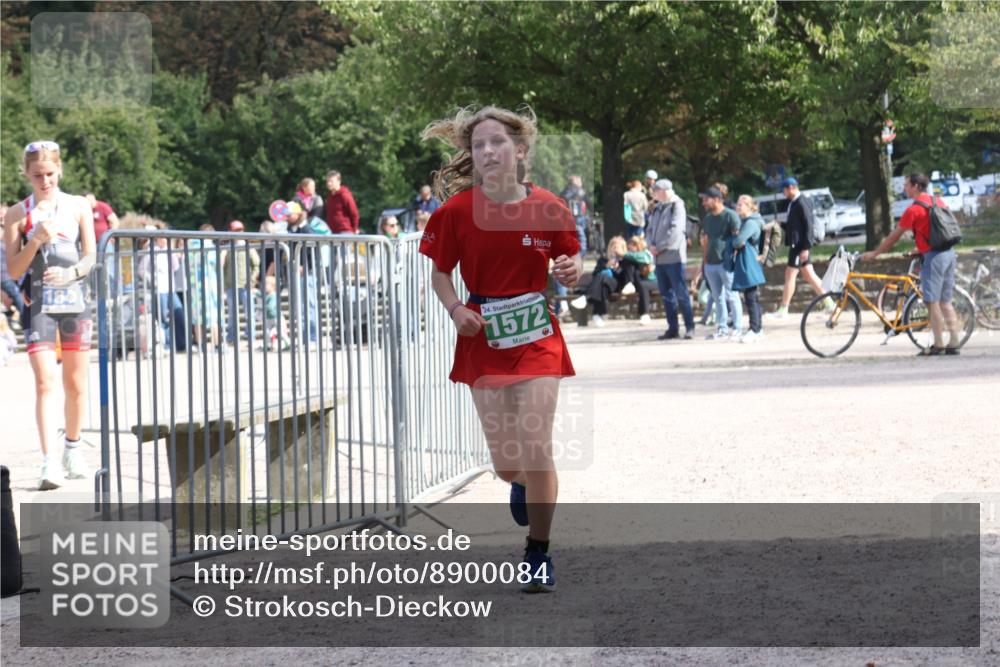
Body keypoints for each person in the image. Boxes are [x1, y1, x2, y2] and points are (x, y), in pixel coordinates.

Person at [420, 105, 582, 593]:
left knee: (537, 449)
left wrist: (573, 268)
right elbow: (440, 275)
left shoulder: (550, 207)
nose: (487, 151)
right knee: (509, 462)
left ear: (520, 150)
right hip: (483, 336)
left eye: (496, 142)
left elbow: (571, 256)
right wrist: (455, 310)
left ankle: (538, 550)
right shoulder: (455, 213)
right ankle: (517, 482)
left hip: (536, 334)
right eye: (478, 145)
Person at [3, 141, 96, 490]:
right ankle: (49, 461)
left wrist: (71, 275)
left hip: (74, 302)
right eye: (38, 175)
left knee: (75, 384)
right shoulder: (16, 213)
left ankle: (73, 449)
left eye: (51, 174)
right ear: (26, 174)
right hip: (38, 305)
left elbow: (90, 256)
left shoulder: (77, 206)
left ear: (60, 172)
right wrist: (34, 241)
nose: (45, 181)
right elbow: (12, 270)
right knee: (45, 383)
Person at [861, 172, 962, 355]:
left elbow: (894, 237)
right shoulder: (937, 201)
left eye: (907, 185)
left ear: (916, 186)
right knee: (946, 301)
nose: (904, 188)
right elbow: (939, 228)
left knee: (932, 302)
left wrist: (876, 253)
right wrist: (922, 247)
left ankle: (938, 344)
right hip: (949, 253)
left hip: (933, 258)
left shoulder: (913, 209)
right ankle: (954, 342)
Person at [767, 177, 830, 318]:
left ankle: (784, 309)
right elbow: (794, 225)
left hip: (800, 246)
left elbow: (808, 226)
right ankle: (830, 303)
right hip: (798, 245)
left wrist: (806, 248)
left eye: (784, 190)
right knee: (809, 276)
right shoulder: (794, 203)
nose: (783, 193)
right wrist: (780, 224)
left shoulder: (802, 202)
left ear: (791, 188)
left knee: (790, 275)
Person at [646, 178, 694, 340]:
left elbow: (675, 231)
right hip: (659, 260)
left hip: (674, 257)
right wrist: (650, 245)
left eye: (655, 191)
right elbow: (649, 229)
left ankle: (689, 327)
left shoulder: (677, 205)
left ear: (664, 191)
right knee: (666, 295)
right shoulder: (658, 207)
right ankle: (672, 328)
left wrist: (659, 248)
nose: (653, 195)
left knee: (681, 293)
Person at [698, 186, 742, 340]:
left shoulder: (730, 216)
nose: (703, 202)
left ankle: (737, 328)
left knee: (732, 296)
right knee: (718, 298)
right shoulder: (708, 218)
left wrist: (734, 259)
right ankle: (722, 329)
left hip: (726, 262)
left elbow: (738, 239)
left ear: (717, 199)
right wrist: (704, 262)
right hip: (711, 263)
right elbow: (707, 240)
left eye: (706, 199)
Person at [731, 195, 767, 343]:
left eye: (740, 205)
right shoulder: (747, 222)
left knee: (751, 298)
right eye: (737, 204)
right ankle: (757, 328)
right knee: (752, 297)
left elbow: (738, 242)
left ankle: (755, 329)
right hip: (749, 262)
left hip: (749, 263)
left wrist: (736, 240)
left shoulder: (751, 223)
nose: (737, 207)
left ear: (749, 206)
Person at [187, 223, 224, 353]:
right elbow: (218, 264)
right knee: (214, 315)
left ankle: (200, 345)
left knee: (197, 316)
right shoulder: (211, 247)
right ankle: (217, 345)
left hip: (195, 285)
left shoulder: (191, 246)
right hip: (210, 284)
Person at [223, 220, 260, 346]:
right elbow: (223, 267)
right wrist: (224, 284)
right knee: (232, 314)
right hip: (230, 286)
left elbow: (256, 264)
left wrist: (252, 280)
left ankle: (251, 338)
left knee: (249, 313)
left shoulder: (248, 246)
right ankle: (232, 338)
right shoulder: (226, 248)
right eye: (236, 230)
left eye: (240, 230)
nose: (239, 232)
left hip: (246, 285)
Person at [324, 170, 360, 234]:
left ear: (338, 182)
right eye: (328, 181)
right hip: (332, 232)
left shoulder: (345, 195)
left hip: (345, 231)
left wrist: (354, 230)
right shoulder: (330, 196)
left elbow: (354, 213)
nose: (329, 183)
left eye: (331, 181)